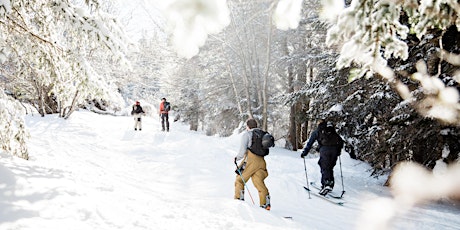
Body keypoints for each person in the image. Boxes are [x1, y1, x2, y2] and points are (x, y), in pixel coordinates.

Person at [234, 118, 271, 210]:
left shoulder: (247, 134)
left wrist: (236, 158)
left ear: (247, 126)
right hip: (262, 161)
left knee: (239, 179)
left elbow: (242, 151)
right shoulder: (262, 134)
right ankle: (265, 204)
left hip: (251, 160)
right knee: (258, 182)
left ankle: (239, 199)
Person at [300, 119, 343, 196]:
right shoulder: (332, 130)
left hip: (325, 150)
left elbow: (310, 142)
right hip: (334, 150)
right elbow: (340, 141)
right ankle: (330, 183)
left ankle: (326, 184)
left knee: (324, 166)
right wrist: (338, 151)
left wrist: (305, 152)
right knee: (330, 167)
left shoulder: (318, 131)